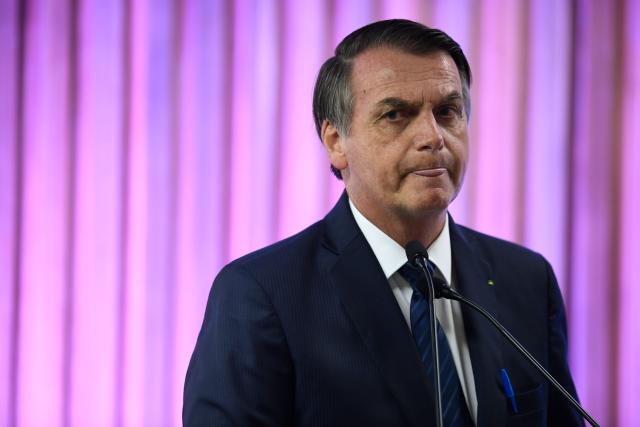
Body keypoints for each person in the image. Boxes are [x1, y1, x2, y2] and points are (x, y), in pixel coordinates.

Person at [183, 19, 583, 426]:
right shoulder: (263, 294)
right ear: (336, 141)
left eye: (447, 112)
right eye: (396, 115)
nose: (433, 137)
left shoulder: (528, 280)